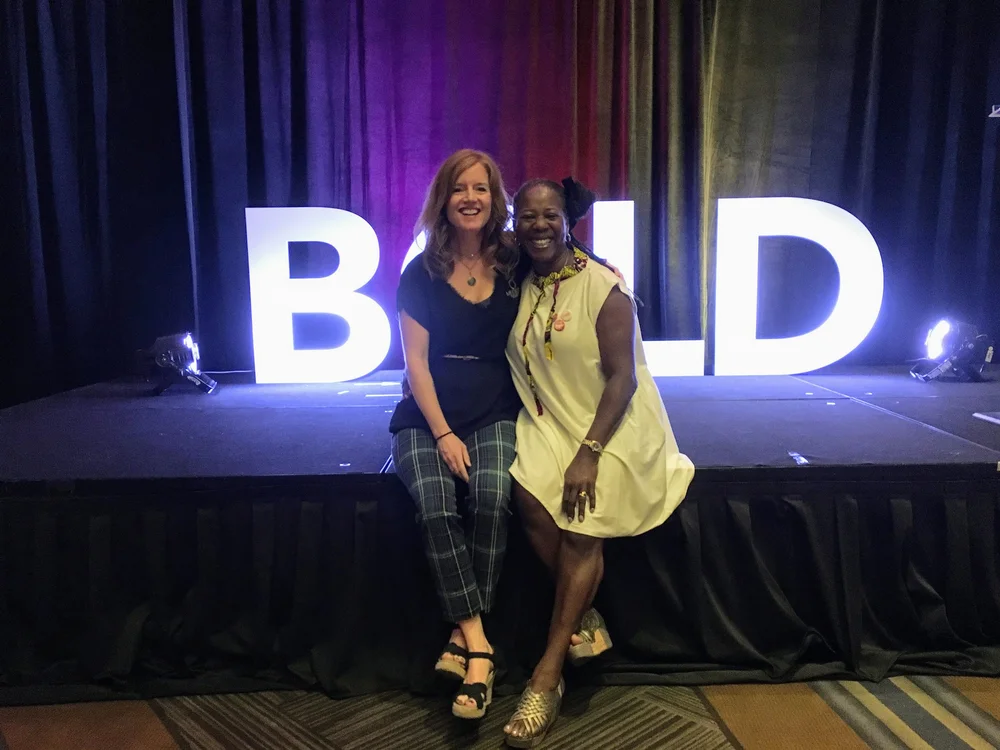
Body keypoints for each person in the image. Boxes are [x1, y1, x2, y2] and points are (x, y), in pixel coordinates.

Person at [501, 178, 695, 747]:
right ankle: (584, 616)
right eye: (527, 215)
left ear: (569, 221)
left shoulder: (604, 286)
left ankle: (547, 675)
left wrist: (588, 455)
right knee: (526, 494)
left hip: (610, 426)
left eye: (550, 215)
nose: (539, 225)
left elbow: (623, 379)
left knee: (581, 523)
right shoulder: (519, 277)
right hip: (550, 419)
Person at [389, 149, 522, 719]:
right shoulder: (419, 272)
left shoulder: (514, 260)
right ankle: (480, 645)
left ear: (495, 199)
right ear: (443, 200)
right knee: (436, 505)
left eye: (481, 188)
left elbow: (566, 261)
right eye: (460, 188)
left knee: (492, 497)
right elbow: (415, 364)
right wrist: (442, 433)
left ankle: (459, 637)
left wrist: (604, 267)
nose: (471, 198)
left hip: (494, 408)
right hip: (428, 414)